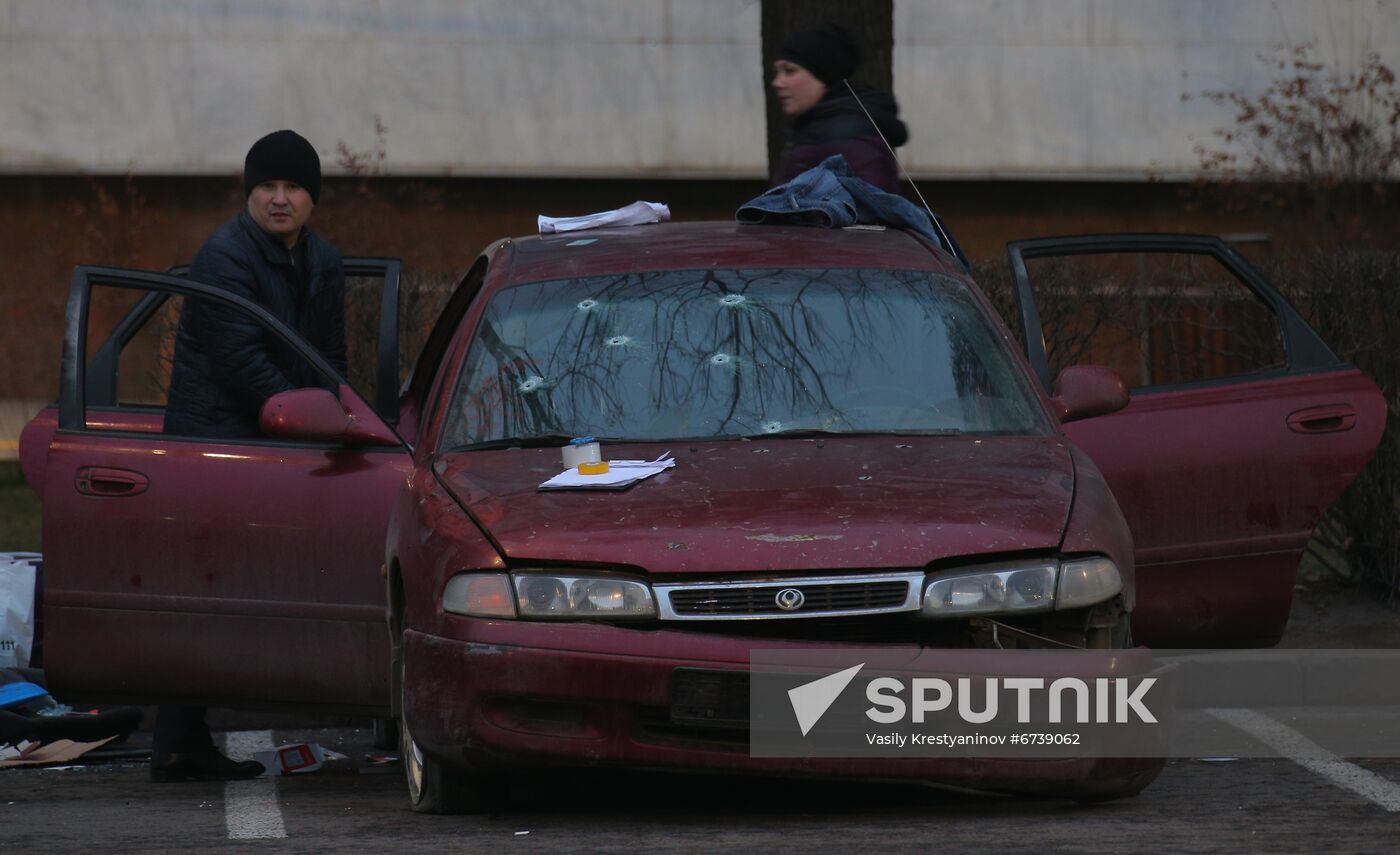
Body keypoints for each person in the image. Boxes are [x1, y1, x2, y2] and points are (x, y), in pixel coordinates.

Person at [153, 129, 346, 782]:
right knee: (202, 587)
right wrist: (309, 420)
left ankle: (183, 741)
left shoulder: (323, 261)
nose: (280, 199)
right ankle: (177, 742)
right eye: (267, 186)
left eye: (293, 187)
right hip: (213, 447)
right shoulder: (224, 257)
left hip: (270, 440)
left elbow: (331, 359)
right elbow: (246, 366)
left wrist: (348, 419)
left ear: (312, 198)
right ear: (250, 194)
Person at [770, 22, 909, 193]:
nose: (777, 82)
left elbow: (867, 209)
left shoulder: (848, 134)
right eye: (777, 72)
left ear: (824, 74)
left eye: (790, 71)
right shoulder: (821, 127)